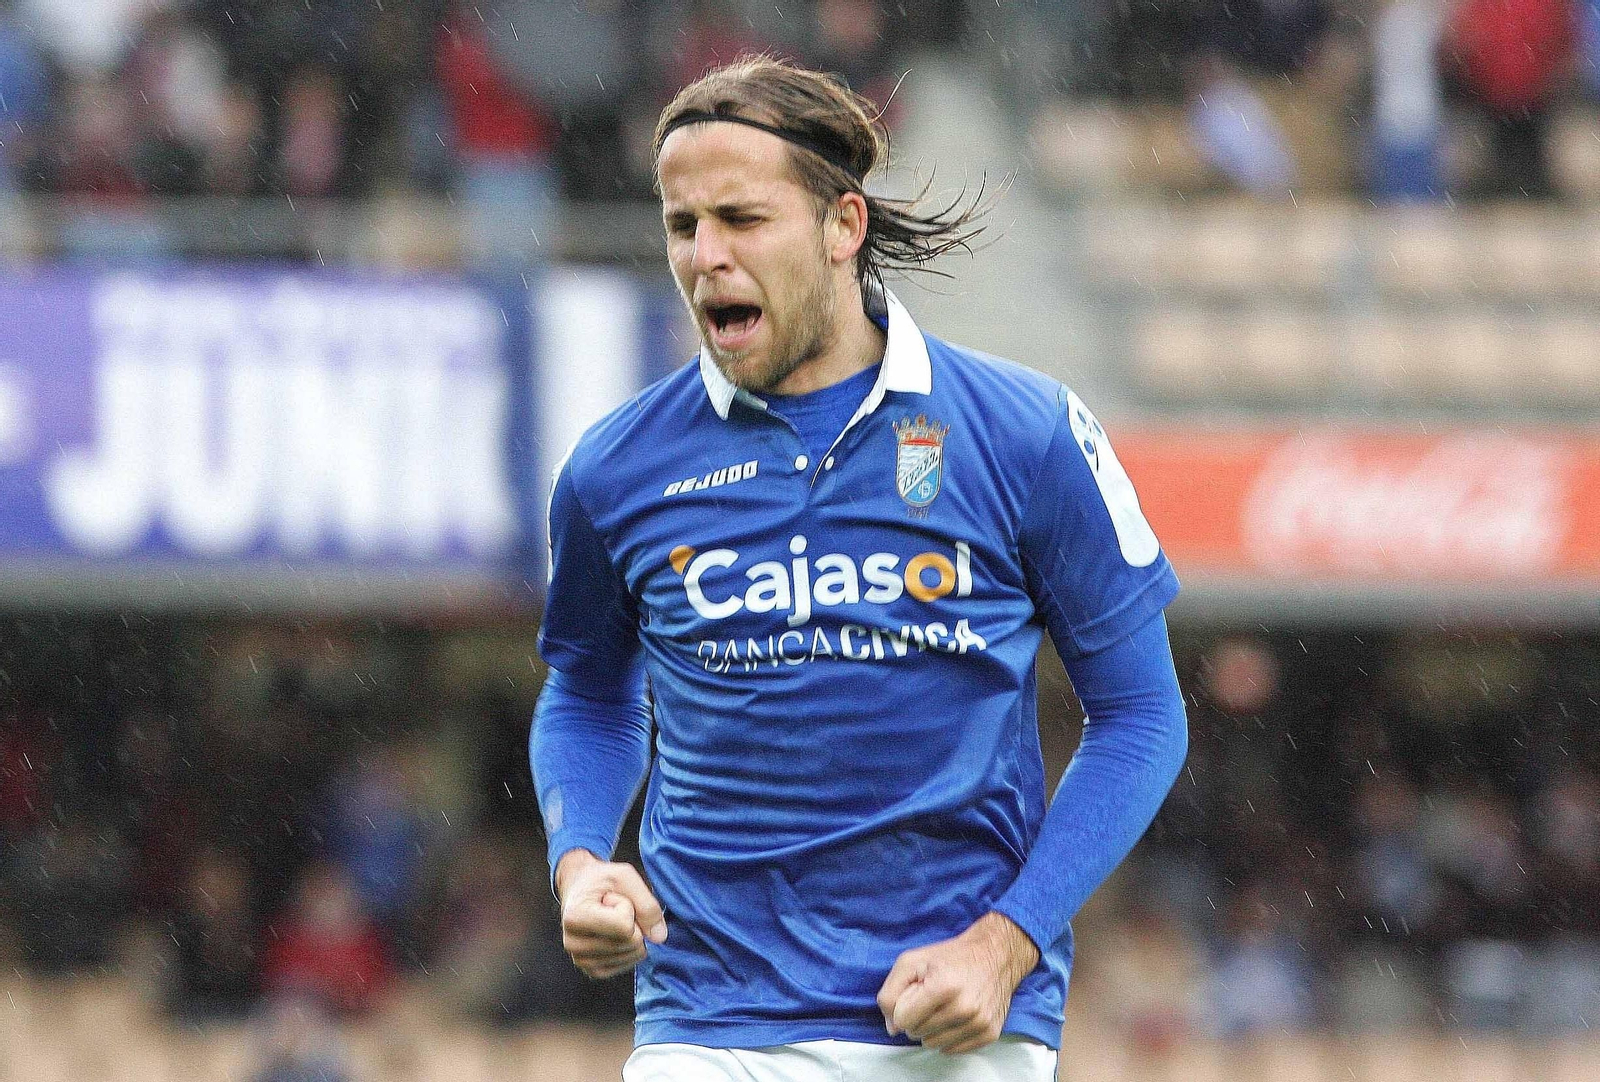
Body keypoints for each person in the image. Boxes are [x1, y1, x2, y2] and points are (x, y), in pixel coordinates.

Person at [531, 55, 1189, 1082]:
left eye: (741, 220)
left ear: (844, 227)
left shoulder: (1022, 433)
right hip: (708, 1024)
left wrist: (1003, 942)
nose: (705, 256)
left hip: (949, 1023)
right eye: (680, 225)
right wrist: (578, 861)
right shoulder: (614, 468)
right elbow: (585, 691)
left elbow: (1143, 712)